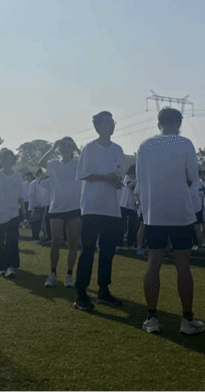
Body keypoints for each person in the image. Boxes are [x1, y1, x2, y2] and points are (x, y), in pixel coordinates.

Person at [135, 108, 205, 335]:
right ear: (180, 123)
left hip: (154, 214)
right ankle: (187, 320)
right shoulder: (185, 143)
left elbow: (140, 182)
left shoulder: (145, 145)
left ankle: (151, 318)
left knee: (153, 263)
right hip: (181, 213)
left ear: (159, 122)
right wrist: (197, 217)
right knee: (183, 266)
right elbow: (193, 179)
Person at [73, 111, 125, 311]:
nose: (112, 125)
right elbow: (83, 174)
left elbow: (119, 174)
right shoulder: (89, 148)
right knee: (88, 250)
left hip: (112, 208)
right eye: (108, 122)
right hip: (92, 207)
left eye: (113, 122)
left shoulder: (118, 149)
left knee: (108, 252)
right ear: (97, 127)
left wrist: (117, 181)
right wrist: (105, 177)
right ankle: (81, 293)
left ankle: (104, 290)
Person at [38, 137, 83, 288]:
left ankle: (69, 275)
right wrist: (53, 147)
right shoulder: (53, 164)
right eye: (63, 145)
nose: (66, 148)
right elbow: (41, 163)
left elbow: (88, 162)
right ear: (59, 148)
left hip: (74, 208)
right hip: (56, 207)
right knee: (55, 241)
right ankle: (53, 273)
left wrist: (77, 148)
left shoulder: (78, 163)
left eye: (69, 145)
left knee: (72, 243)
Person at [0, 149, 25, 278]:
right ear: (2, 161)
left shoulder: (17, 176)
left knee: (12, 240)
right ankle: (1, 267)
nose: (9, 162)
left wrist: (23, 210)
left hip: (13, 213)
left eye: (11, 159)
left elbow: (21, 196)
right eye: (6, 159)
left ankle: (11, 267)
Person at [120, 165, 140, 249]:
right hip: (124, 204)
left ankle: (130, 244)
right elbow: (131, 186)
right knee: (122, 225)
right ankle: (120, 244)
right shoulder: (127, 177)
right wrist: (136, 182)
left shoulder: (137, 180)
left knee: (132, 226)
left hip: (133, 206)